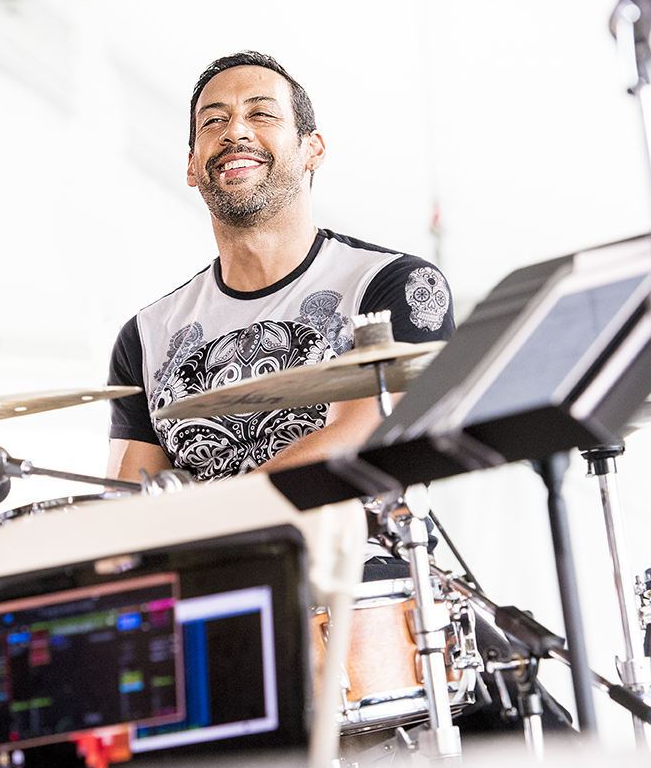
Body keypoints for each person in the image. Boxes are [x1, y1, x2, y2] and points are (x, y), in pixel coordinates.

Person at [107, 51, 454, 483]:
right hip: (203, 551)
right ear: (193, 166)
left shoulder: (390, 284)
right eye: (212, 121)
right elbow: (126, 504)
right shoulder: (145, 335)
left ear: (313, 149)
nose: (234, 131)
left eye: (261, 114)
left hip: (355, 549)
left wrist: (220, 513)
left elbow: (367, 436)